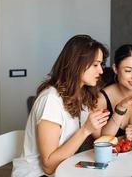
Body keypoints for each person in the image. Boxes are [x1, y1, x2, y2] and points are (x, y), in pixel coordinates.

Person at [12, 35, 111, 177]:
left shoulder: (81, 96)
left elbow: (102, 137)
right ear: (77, 64)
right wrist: (85, 130)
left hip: (64, 171)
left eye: (101, 64)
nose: (101, 71)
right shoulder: (50, 100)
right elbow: (48, 167)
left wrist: (120, 110)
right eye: (95, 65)